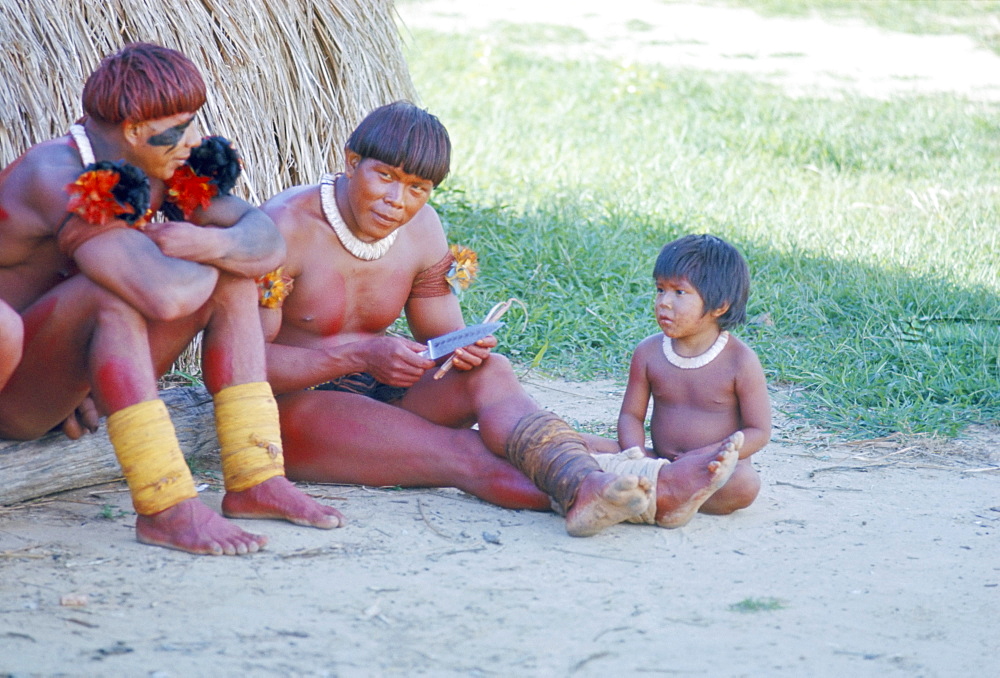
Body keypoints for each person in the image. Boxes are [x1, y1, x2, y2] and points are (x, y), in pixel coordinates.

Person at [259, 100, 738, 536]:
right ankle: (648, 491)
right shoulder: (285, 229)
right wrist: (359, 354)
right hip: (291, 412)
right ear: (350, 162)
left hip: (381, 394)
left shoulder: (421, 229)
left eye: (417, 188)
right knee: (464, 453)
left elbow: (441, 336)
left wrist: (463, 346)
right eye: (384, 176)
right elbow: (241, 368)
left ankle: (619, 478)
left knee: (491, 370)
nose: (397, 200)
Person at [0, 42, 342, 556]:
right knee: (108, 296)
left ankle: (256, 476)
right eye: (180, 127)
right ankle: (166, 506)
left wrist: (214, 244)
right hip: (15, 388)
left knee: (231, 279)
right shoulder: (57, 177)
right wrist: (219, 254)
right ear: (136, 130)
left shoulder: (163, 163)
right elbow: (161, 296)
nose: (195, 139)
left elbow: (265, 242)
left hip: (71, 376)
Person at [612, 234, 770, 523]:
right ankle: (664, 495)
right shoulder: (648, 353)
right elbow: (630, 417)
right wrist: (637, 459)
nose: (664, 302)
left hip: (710, 471)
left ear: (720, 305)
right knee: (580, 445)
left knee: (745, 485)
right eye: (660, 290)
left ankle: (648, 497)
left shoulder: (740, 361)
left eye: (679, 293)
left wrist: (715, 456)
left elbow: (759, 431)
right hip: (656, 461)